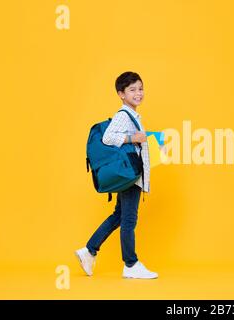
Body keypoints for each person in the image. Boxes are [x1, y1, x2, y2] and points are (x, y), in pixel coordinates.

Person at [75, 71, 158, 279]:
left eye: (140, 88)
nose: (138, 93)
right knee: (129, 219)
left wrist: (153, 144)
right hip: (130, 175)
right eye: (132, 90)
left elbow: (137, 143)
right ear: (121, 94)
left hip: (130, 173)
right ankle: (131, 264)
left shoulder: (133, 115)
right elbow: (109, 137)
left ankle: (89, 250)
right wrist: (133, 137)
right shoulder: (123, 115)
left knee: (119, 216)